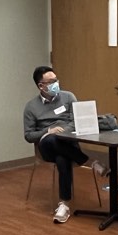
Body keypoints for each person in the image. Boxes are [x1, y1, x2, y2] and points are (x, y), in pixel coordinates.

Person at [23, 65, 108, 224]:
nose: (56, 84)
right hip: (46, 146)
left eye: (56, 80)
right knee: (52, 139)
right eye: (51, 82)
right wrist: (48, 131)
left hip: (68, 142)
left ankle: (64, 205)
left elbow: (77, 121)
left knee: (62, 159)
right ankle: (90, 162)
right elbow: (28, 136)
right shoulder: (31, 107)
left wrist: (63, 131)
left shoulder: (68, 97)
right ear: (41, 86)